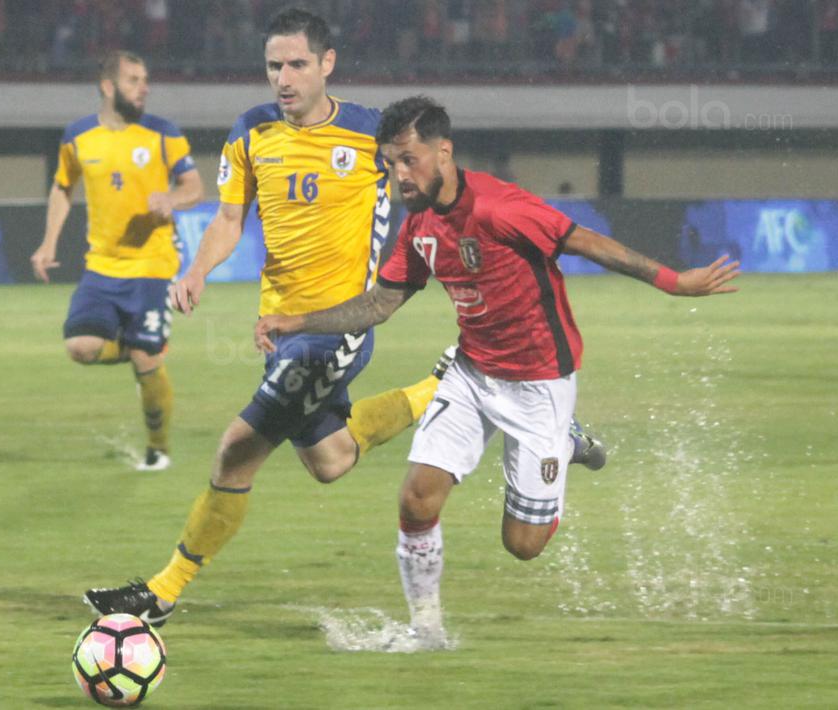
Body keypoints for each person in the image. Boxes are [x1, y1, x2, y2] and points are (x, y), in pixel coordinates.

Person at [253, 96, 740, 647]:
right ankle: (427, 632)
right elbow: (378, 305)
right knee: (416, 499)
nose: (399, 174)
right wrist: (297, 321)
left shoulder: (499, 209)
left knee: (523, 546)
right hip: (470, 372)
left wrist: (676, 283)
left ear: (444, 151)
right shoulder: (419, 228)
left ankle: (566, 439)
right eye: (389, 163)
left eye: (408, 159)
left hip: (538, 386)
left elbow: (587, 242)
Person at [83, 8, 454, 627]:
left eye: (297, 64)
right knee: (330, 459)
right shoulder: (251, 130)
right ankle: (448, 387)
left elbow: (435, 186)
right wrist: (197, 270)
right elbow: (229, 219)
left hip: (335, 329)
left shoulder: (370, 134)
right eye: (274, 65)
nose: (283, 78)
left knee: (235, 453)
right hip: (279, 331)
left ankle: (163, 592)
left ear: (327, 64)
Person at [30, 50, 203, 471]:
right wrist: (48, 241)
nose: (143, 88)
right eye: (133, 80)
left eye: (145, 80)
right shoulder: (77, 137)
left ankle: (158, 450)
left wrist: (172, 199)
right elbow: (61, 187)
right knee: (80, 347)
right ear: (108, 87)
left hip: (153, 265)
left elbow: (195, 186)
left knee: (147, 364)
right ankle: (142, 343)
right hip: (102, 266)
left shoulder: (163, 133)